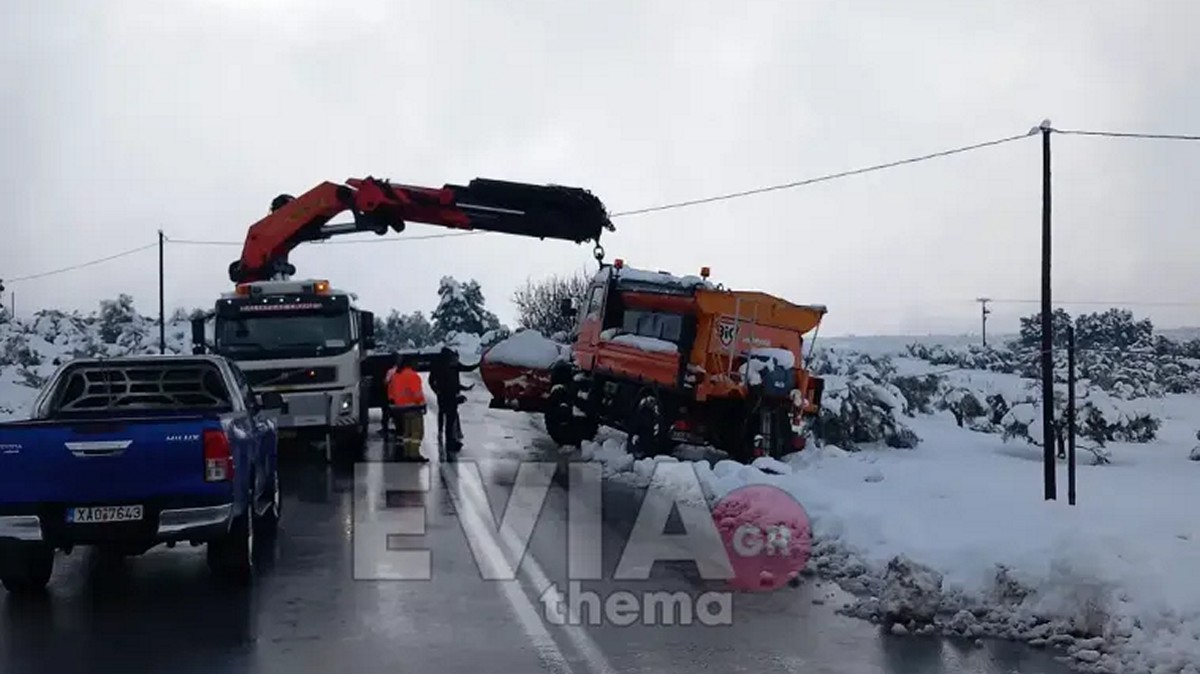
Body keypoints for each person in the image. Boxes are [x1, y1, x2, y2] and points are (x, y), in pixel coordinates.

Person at [428, 346, 478, 454]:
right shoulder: (445, 366)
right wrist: (437, 390)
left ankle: (449, 438)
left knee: (449, 416)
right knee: (449, 417)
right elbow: (438, 381)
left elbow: (462, 373)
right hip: (447, 396)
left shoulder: (446, 365)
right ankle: (449, 441)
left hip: (446, 395)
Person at [386, 355, 428, 463]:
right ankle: (414, 454)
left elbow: (390, 391)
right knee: (417, 432)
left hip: (400, 409)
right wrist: (422, 404)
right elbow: (417, 394)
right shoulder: (413, 376)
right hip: (413, 407)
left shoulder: (396, 375)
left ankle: (407, 452)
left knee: (407, 432)